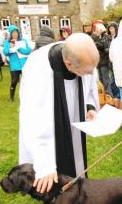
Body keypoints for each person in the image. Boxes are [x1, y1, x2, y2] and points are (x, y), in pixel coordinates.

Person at [19, 33, 100, 194]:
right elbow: (32, 120)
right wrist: (44, 164)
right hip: (49, 127)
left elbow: (90, 86)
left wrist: (89, 107)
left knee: (75, 167)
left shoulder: (82, 57)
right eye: (87, 72)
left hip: (73, 123)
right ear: (69, 63)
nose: (92, 75)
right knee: (53, 185)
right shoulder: (38, 69)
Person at [3, 25, 32, 102]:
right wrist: (10, 48)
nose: (15, 34)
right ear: (10, 34)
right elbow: (5, 52)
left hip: (24, 64)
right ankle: (11, 98)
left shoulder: (23, 41)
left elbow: (29, 50)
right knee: (14, 81)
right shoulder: (7, 42)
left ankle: (27, 97)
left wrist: (20, 49)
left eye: (16, 32)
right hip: (14, 66)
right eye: (13, 33)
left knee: (26, 82)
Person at [91, 21, 112, 95]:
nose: (96, 31)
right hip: (99, 62)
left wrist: (97, 39)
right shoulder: (98, 37)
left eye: (97, 29)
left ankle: (109, 95)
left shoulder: (106, 36)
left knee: (106, 80)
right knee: (100, 80)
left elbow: (103, 47)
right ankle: (104, 96)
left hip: (104, 62)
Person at [107, 21, 120, 98]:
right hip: (110, 62)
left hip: (117, 62)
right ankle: (115, 97)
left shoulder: (118, 37)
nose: (111, 30)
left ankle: (118, 97)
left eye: (112, 28)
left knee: (115, 81)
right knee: (112, 82)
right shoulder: (108, 37)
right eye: (110, 28)